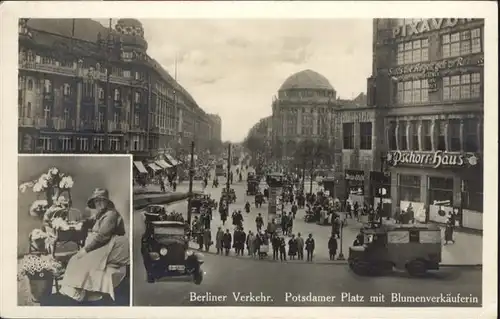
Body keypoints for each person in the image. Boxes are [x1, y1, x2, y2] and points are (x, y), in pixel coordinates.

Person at [59, 188, 129, 302]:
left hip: (109, 245)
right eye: (96, 201)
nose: (99, 203)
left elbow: (103, 237)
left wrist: (86, 250)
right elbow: (92, 220)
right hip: (103, 244)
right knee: (76, 260)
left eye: (102, 200)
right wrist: (83, 222)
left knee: (78, 259)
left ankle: (78, 292)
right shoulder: (102, 213)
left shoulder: (111, 214)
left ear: (107, 201)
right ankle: (78, 290)